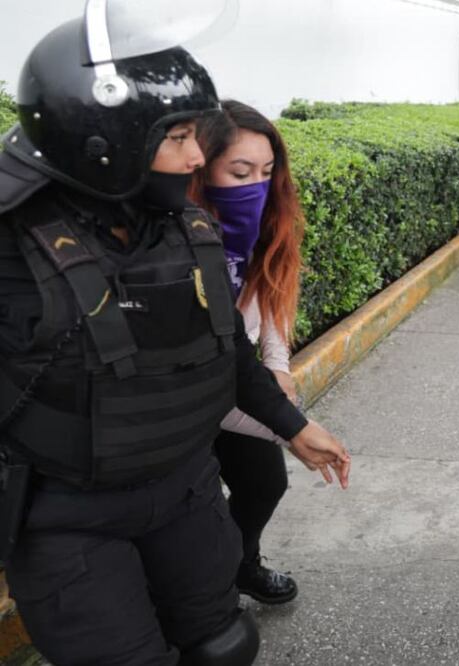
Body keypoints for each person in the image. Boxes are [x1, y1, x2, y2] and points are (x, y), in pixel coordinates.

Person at [0, 13, 351, 665]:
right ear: (106, 137)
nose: (197, 158)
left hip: (184, 492)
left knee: (225, 644)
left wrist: (292, 426)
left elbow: (227, 349)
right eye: (181, 136)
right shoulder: (11, 245)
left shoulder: (183, 227)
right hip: (67, 519)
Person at [191, 100, 307, 606]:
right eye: (240, 172)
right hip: (189, 396)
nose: (255, 186)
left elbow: (273, 296)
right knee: (196, 508)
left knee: (264, 482)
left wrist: (277, 366)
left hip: (242, 384)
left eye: (265, 172)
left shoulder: (266, 222)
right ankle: (205, 592)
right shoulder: (174, 237)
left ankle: (242, 564)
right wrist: (289, 427)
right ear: (201, 167)